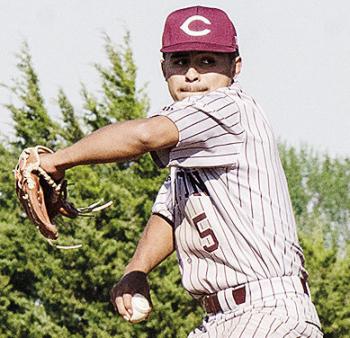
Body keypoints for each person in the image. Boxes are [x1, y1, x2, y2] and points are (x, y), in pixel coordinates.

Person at [40, 6, 323, 337]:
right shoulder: (194, 147)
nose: (192, 74)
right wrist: (137, 270)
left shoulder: (231, 107)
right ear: (164, 69)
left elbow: (145, 135)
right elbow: (171, 213)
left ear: (236, 66)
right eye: (180, 61)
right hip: (223, 319)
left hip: (269, 312)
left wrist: (54, 161)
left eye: (207, 61)